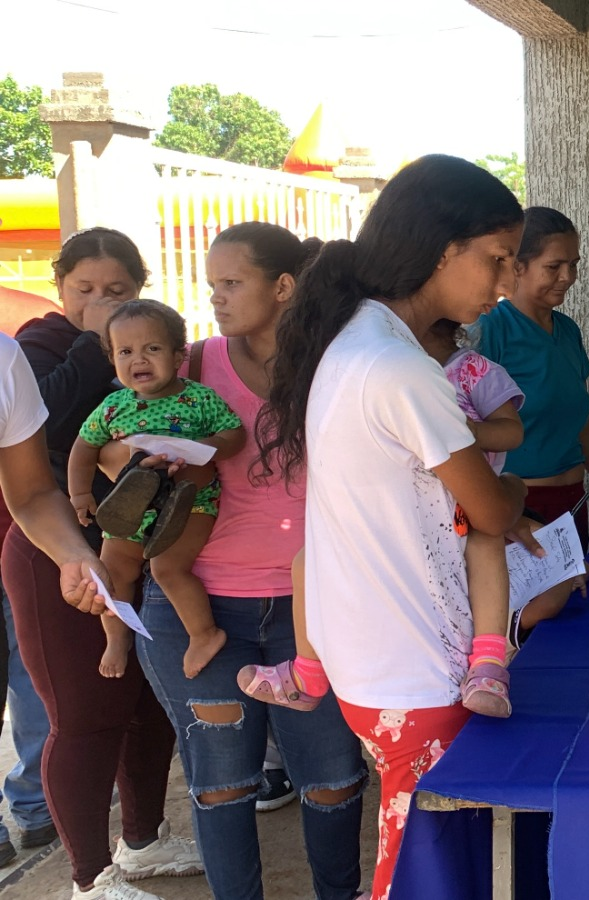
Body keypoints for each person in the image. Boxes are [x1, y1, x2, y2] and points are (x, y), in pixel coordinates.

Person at [254, 154, 551, 900]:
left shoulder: (354, 341)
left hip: (374, 657)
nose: (504, 281)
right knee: (420, 863)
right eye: (497, 259)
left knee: (419, 847)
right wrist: (512, 488)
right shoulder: (400, 367)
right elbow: (488, 511)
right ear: (443, 249)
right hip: (412, 666)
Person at [134, 222, 368, 900]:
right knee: (223, 786)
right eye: (213, 286)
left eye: (232, 283)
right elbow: (117, 434)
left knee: (332, 782)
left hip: (313, 611)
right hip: (200, 610)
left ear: (284, 286)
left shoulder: (337, 366)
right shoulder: (195, 365)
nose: (217, 299)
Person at [3, 227, 202, 899]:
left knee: (146, 703)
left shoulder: (150, 348)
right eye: (83, 289)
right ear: (60, 288)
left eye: (116, 291)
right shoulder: (38, 346)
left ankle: (142, 843)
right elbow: (48, 439)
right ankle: (89, 879)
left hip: (137, 544)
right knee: (85, 713)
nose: (98, 301)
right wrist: (95, 343)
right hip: (53, 550)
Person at [239, 317, 526, 718]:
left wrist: (457, 432)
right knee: (306, 560)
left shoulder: (471, 370)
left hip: (464, 495)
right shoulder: (370, 370)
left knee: (486, 542)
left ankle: (488, 664)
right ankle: (308, 674)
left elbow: (512, 433)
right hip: (401, 507)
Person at [68, 301, 244, 680]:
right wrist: (79, 494)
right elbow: (83, 447)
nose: (139, 360)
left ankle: (204, 634)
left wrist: (210, 449)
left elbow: (235, 433)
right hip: (131, 507)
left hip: (191, 503)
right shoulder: (114, 407)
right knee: (111, 573)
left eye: (153, 348)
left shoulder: (198, 399)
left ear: (179, 354)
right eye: (126, 352)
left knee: (168, 568)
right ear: (112, 358)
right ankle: (116, 639)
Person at [476, 207, 589, 540]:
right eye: (553, 267)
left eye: (574, 264)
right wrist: (502, 516)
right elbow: (465, 433)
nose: (567, 277)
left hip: (572, 501)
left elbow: (578, 420)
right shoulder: (492, 331)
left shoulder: (567, 331)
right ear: (518, 267)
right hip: (518, 511)